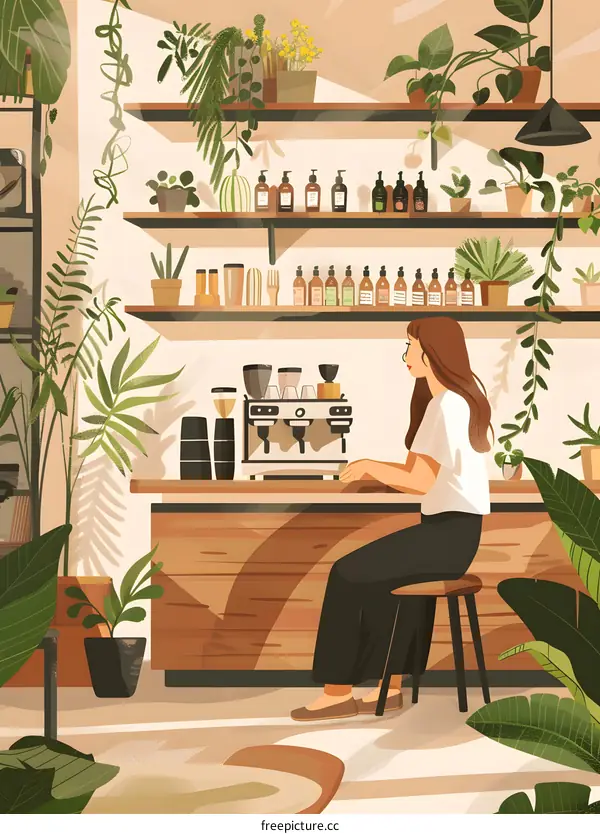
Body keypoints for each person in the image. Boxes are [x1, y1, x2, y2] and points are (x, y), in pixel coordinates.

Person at [291, 316, 492, 721]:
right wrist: (379, 470)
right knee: (385, 579)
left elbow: (418, 482)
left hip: (447, 535)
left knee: (346, 573)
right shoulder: (453, 401)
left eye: (410, 346)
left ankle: (337, 692)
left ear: (430, 352)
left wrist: (368, 466)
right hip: (452, 533)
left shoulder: (447, 406)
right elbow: (419, 474)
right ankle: (391, 685)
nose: (405, 355)